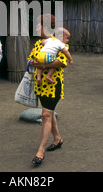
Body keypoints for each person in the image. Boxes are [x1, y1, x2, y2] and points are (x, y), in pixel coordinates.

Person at [28, 14, 68, 166]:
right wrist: (32, 62)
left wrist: (43, 66)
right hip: (40, 85)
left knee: (45, 115)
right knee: (48, 113)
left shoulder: (59, 42)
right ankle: (57, 139)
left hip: (53, 85)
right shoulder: (38, 43)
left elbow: (62, 61)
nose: (37, 28)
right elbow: (31, 59)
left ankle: (41, 150)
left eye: (39, 25)